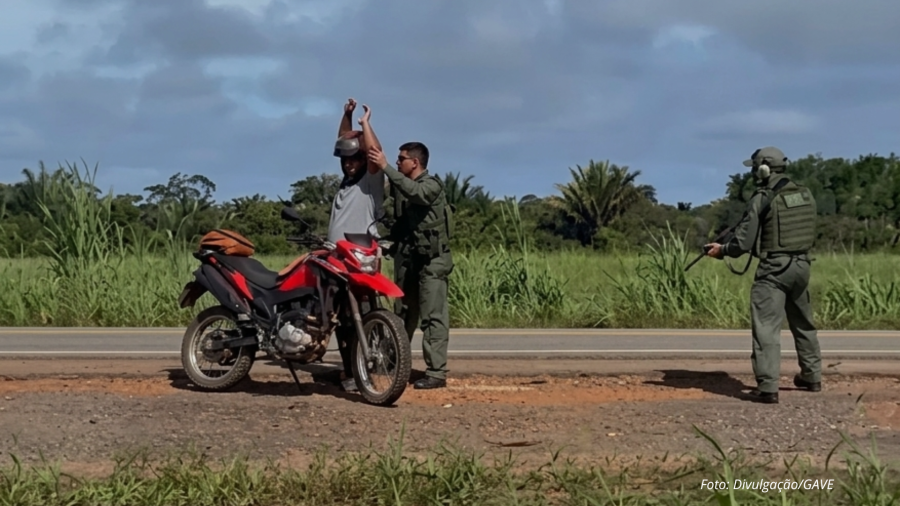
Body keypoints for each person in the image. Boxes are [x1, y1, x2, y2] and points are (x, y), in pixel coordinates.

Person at [704, 146, 822, 404]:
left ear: (764, 169)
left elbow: (742, 244)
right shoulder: (805, 193)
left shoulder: (762, 197)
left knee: (767, 328)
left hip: (773, 270)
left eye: (755, 168)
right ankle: (812, 377)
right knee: (803, 323)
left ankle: (768, 386)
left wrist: (722, 250)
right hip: (802, 265)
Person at [358, 107, 453, 389]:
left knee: (433, 317)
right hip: (409, 260)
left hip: (433, 262)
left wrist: (386, 166)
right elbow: (399, 222)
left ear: (415, 162)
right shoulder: (400, 188)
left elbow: (417, 194)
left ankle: (436, 373)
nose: (397, 163)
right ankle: (392, 362)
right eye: (396, 160)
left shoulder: (430, 185)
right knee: (401, 315)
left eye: (401, 160)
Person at [329, 98, 385, 392]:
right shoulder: (347, 180)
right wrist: (346, 116)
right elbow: (344, 143)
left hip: (359, 259)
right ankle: (350, 371)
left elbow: (374, 153)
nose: (349, 164)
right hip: (336, 260)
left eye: (354, 160)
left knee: (361, 315)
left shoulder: (370, 183)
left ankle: (365, 369)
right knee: (341, 319)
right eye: (345, 161)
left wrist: (365, 124)